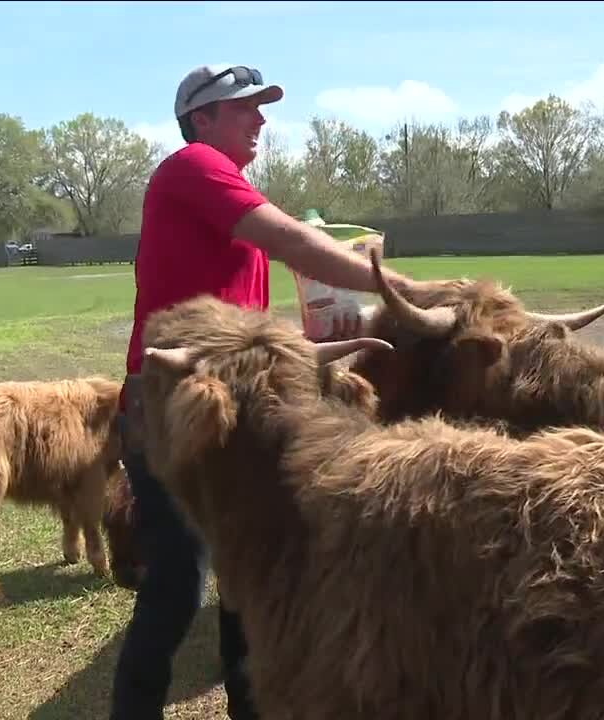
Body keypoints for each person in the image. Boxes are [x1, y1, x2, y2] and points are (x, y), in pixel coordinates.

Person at [109, 63, 424, 720]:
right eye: (244, 107)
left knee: (244, 578)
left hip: (235, 403)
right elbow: (292, 240)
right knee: (175, 582)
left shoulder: (224, 187)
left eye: (260, 107)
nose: (260, 119)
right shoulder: (191, 167)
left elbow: (247, 311)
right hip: (174, 405)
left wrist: (315, 333)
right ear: (202, 120)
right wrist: (406, 292)